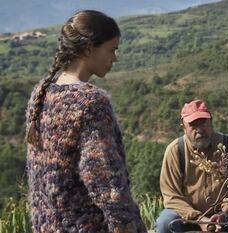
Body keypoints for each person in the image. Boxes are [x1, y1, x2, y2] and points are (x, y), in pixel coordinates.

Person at [25, 10, 147, 233]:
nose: (115, 59)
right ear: (89, 48)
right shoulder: (91, 102)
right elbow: (104, 180)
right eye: (111, 50)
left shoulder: (42, 94)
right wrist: (126, 226)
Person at [156, 99, 228, 233]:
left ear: (211, 122)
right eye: (193, 125)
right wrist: (199, 219)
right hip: (188, 217)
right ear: (184, 127)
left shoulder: (227, 145)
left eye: (203, 123)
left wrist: (223, 213)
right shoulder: (175, 151)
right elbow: (171, 196)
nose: (199, 130)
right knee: (165, 223)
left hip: (225, 215)